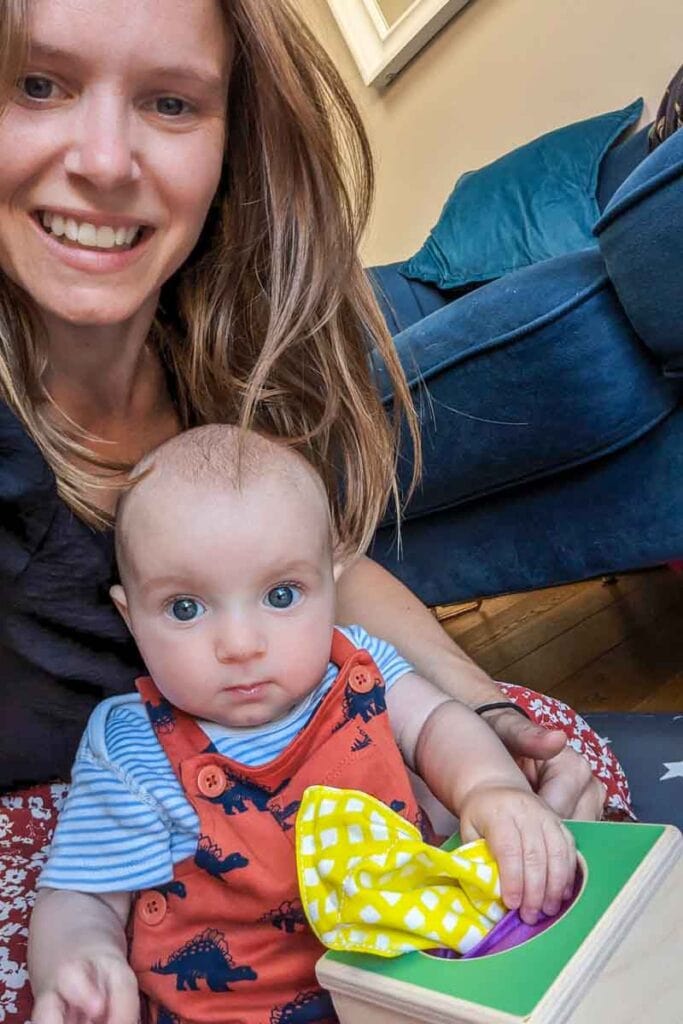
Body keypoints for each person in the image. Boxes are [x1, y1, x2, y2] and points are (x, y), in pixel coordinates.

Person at [0, 0, 626, 823]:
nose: (109, 162)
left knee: (559, 757)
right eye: (38, 85)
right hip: (97, 872)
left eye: (172, 102)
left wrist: (485, 711)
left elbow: (324, 567)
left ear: (234, 144)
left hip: (309, 798)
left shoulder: (222, 356)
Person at [29, 424, 579, 1024]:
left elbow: (438, 724)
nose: (240, 645)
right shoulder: (132, 749)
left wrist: (487, 788)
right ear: (130, 617)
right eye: (185, 608)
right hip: (233, 1010)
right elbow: (83, 895)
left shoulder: (357, 664)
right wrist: (78, 956)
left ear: (330, 586)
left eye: (282, 595)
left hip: (406, 976)